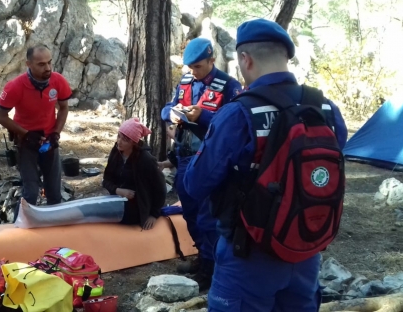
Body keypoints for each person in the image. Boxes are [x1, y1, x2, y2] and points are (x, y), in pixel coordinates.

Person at [183, 19, 347, 311]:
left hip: (248, 253)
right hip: (305, 248)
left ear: (245, 59)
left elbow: (196, 184)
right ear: (286, 57)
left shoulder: (238, 113)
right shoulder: (325, 109)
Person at [160, 37, 242, 289]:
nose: (193, 72)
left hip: (210, 161)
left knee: (209, 216)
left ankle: (212, 267)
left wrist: (203, 116)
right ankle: (202, 255)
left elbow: (235, 123)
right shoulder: (185, 82)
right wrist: (172, 113)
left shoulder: (229, 86)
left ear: (211, 60)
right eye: (190, 67)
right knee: (191, 212)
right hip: (185, 157)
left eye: (198, 67)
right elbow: (167, 108)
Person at [0, 44, 71, 209]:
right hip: (25, 143)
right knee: (30, 192)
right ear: (28, 64)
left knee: (54, 193)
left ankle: (53, 228)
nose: (48, 68)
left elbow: (64, 108)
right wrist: (26, 134)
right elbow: (0, 116)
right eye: (41, 64)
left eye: (50, 62)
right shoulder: (15, 87)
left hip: (50, 141)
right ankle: (21, 229)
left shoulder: (58, 81)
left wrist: (56, 134)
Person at [102, 118, 166, 230]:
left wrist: (154, 214)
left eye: (125, 139)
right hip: (116, 200)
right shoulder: (116, 152)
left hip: (136, 208)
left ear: (133, 142)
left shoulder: (146, 160)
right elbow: (106, 180)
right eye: (118, 136)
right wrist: (118, 190)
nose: (119, 142)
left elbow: (160, 188)